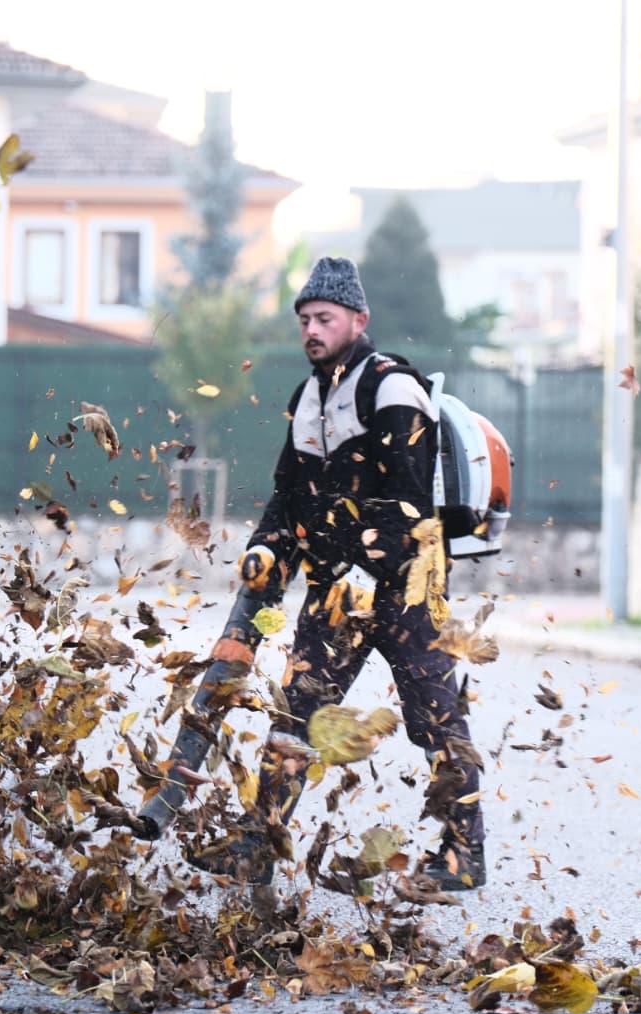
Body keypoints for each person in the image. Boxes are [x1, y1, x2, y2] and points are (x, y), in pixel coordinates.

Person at [185, 256, 486, 892]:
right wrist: (267, 550)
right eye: (304, 320)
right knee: (296, 713)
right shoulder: (307, 399)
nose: (312, 330)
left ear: (358, 319)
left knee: (435, 719)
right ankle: (257, 845)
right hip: (336, 594)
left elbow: (409, 503)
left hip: (407, 589)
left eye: (324, 318)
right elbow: (288, 497)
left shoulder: (392, 389)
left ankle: (464, 855)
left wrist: (365, 568)